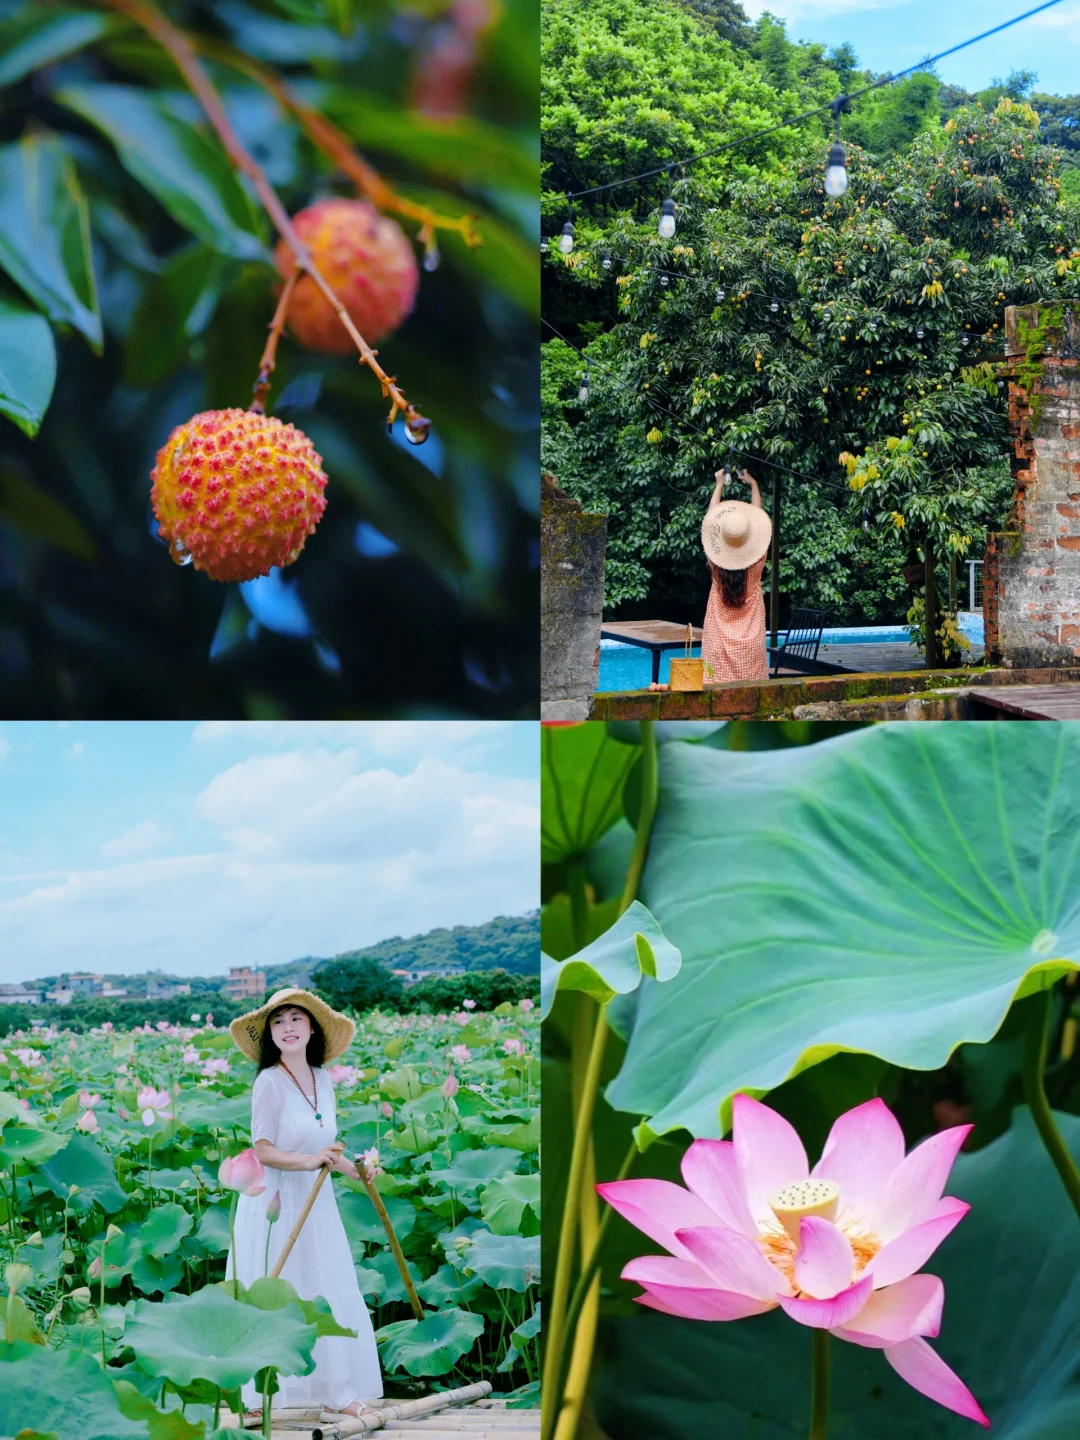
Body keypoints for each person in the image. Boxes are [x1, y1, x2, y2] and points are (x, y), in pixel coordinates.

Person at [226, 988, 382, 1421]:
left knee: (324, 1286)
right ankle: (258, 1396)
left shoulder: (322, 1078)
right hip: (275, 1201)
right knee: (278, 1288)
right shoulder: (269, 1082)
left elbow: (324, 1145)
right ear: (269, 1035)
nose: (288, 1027)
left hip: (317, 1202)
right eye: (278, 1021)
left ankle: (337, 1392)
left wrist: (356, 1170)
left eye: (296, 1018)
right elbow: (263, 1150)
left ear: (313, 1028)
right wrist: (309, 1162)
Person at [700, 466, 773, 684]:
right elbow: (759, 521)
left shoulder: (715, 563)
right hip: (750, 644)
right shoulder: (757, 562)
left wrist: (719, 485)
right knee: (752, 691)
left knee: (715, 689)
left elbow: (711, 521)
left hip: (718, 641)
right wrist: (754, 485)